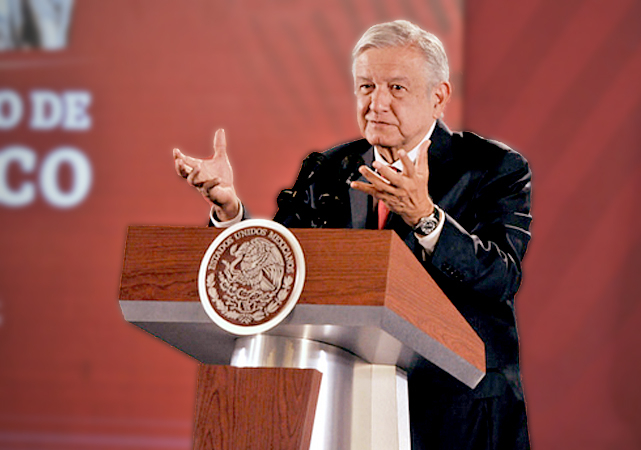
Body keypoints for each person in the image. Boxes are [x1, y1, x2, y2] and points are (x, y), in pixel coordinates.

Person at [174, 19, 532, 450]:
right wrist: (231, 213)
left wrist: (426, 218)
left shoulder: (492, 167)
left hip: (460, 415)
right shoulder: (328, 167)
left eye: (396, 88)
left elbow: (501, 276)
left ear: (439, 96)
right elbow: (284, 265)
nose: (377, 103)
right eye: (366, 87)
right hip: (345, 405)